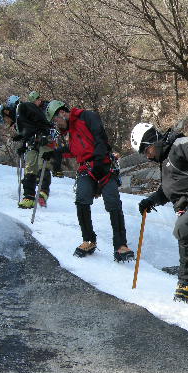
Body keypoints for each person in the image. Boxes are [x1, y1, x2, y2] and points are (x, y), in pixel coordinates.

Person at [131, 122, 188, 332]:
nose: (147, 155)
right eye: (143, 153)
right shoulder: (164, 161)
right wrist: (152, 200)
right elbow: (169, 190)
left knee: (182, 228)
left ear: (153, 140)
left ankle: (185, 282)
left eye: (146, 150)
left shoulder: (181, 144)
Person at [46, 100, 134, 262]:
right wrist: (56, 153)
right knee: (81, 200)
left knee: (113, 202)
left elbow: (100, 138)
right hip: (87, 169)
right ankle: (88, 240)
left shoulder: (87, 116)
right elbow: (75, 149)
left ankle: (121, 245)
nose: (56, 124)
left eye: (55, 120)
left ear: (62, 113)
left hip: (103, 166)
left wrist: (99, 162)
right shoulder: (71, 131)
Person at [11, 92, 57, 209]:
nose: (37, 102)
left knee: (42, 164)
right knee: (30, 165)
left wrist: (46, 134)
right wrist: (23, 143)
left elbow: (52, 124)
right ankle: (29, 196)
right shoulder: (28, 111)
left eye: (37, 99)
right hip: (33, 140)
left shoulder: (48, 108)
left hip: (46, 138)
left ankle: (43, 191)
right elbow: (29, 128)